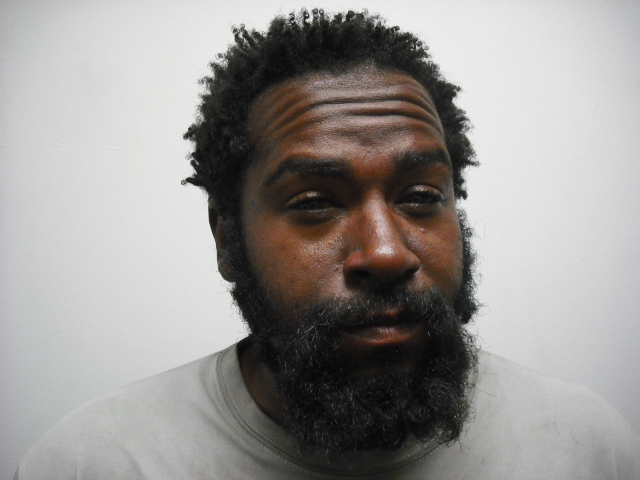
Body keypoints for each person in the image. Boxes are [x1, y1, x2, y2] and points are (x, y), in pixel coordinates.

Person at [15, 9, 640, 479]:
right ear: (227, 239)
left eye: (421, 196)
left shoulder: (584, 449)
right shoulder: (97, 461)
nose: (387, 253)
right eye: (315, 202)